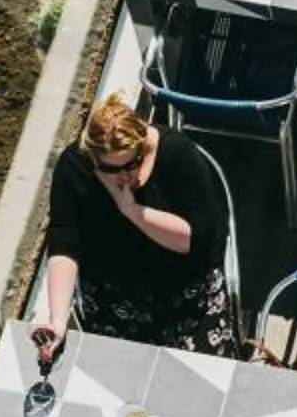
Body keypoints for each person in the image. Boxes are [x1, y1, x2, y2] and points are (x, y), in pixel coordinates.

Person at [32, 95, 235, 358]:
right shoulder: (73, 168)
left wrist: (132, 211)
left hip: (187, 294)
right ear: (93, 159)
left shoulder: (176, 153)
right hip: (114, 298)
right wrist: (58, 319)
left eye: (134, 162)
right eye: (112, 168)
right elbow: (64, 241)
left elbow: (194, 240)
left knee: (204, 380)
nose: (127, 175)